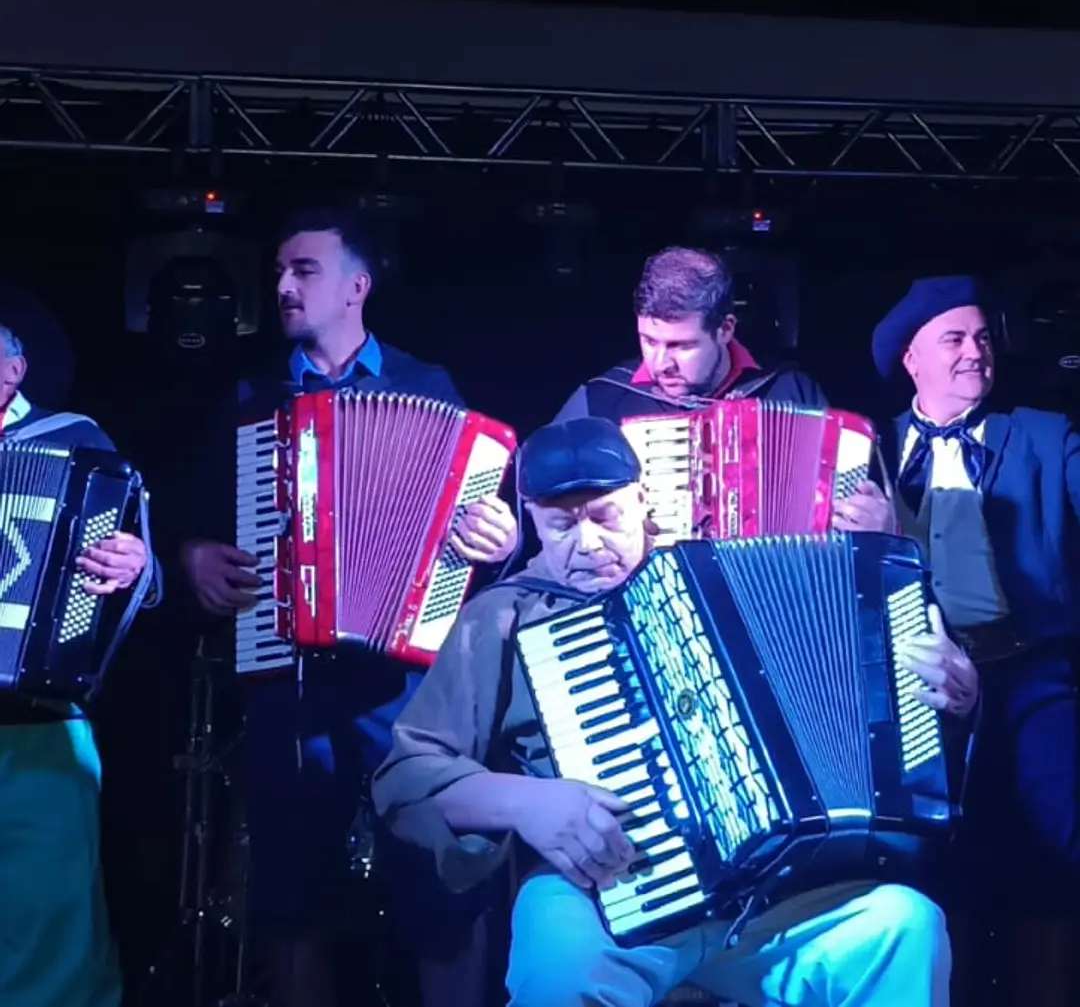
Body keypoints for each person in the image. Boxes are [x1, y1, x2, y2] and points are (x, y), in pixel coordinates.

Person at [373, 416, 977, 1007]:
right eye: (561, 526)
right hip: (602, 888)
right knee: (557, 973)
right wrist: (526, 802)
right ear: (531, 521)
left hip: (768, 894)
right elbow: (407, 775)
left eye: (605, 516)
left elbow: (875, 705)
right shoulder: (503, 615)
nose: (587, 543)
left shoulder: (716, 579)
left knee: (905, 926)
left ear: (642, 500)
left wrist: (955, 694)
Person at [177, 205, 505, 1007]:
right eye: (281, 270)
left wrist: (499, 537)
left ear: (357, 285)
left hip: (406, 690)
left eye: (305, 270)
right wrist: (193, 557)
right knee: (294, 903)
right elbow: (194, 520)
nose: (283, 285)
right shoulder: (254, 399)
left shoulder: (427, 388)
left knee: (441, 894)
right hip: (288, 677)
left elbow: (484, 532)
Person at [873, 275, 1080, 994]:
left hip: (1032, 672)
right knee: (931, 858)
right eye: (954, 338)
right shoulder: (870, 455)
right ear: (912, 359)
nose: (975, 352)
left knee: (1058, 845)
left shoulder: (1047, 435)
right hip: (918, 681)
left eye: (983, 336)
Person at [454, 245, 892, 567]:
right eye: (649, 341)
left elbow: (846, 524)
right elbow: (535, 505)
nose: (661, 362)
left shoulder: (791, 393)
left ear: (725, 329)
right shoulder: (602, 399)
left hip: (775, 604)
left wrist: (878, 528)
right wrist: (508, 539)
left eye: (681, 345)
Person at [0, 322, 157, 1007]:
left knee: (50, 946)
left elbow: (141, 575)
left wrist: (137, 564)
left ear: (12, 371)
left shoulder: (76, 442)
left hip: (37, 729)